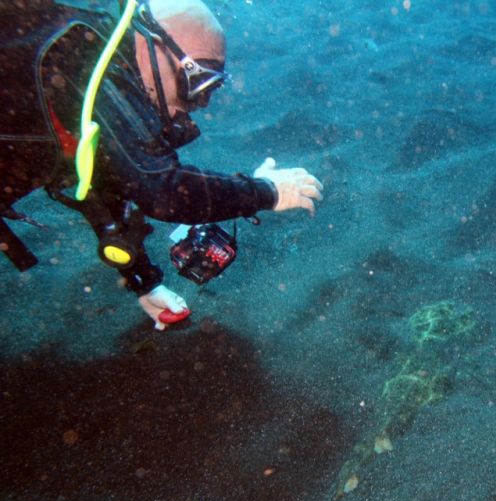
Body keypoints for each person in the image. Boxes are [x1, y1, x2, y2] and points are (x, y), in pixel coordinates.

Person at [0, 0, 323, 330]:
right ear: (154, 43)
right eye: (194, 82)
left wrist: (143, 281)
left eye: (210, 89)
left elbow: (101, 180)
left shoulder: (93, 69)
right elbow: (163, 190)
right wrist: (267, 192)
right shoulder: (88, 62)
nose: (198, 104)